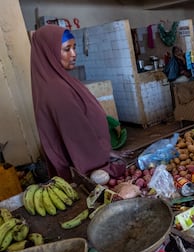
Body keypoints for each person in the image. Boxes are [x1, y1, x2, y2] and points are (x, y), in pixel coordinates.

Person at [31, 25, 132, 182]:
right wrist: (103, 158)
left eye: (74, 47)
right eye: (67, 49)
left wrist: (105, 151)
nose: (74, 54)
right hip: (85, 169)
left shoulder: (59, 81)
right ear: (49, 53)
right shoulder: (56, 90)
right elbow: (77, 137)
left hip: (91, 157)